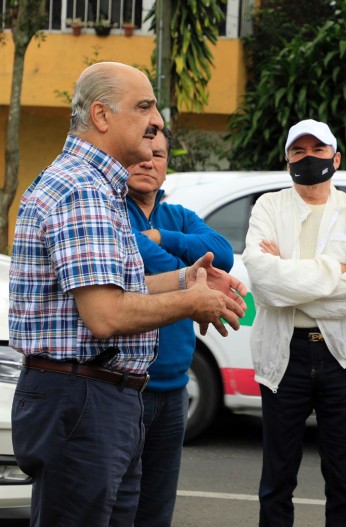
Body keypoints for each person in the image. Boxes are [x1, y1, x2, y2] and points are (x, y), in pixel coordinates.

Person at [9, 62, 247, 527]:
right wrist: (190, 302)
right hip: (83, 398)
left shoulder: (97, 187)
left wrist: (188, 280)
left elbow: (114, 288)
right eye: (143, 107)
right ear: (101, 115)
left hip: (94, 397)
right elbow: (106, 315)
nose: (155, 121)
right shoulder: (82, 190)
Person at [242, 119, 346, 527]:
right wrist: (333, 270)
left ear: (336, 159)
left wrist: (287, 272)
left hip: (341, 358)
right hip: (284, 355)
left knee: (345, 481)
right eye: (298, 151)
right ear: (287, 162)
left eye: (318, 150)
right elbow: (264, 285)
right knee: (277, 480)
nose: (308, 158)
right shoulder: (269, 207)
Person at [125, 126, 235, 526]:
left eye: (158, 155)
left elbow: (222, 253)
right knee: (115, 507)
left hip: (174, 391)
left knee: (156, 510)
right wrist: (191, 275)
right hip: (123, 387)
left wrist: (162, 235)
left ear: (167, 165)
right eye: (141, 153)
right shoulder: (110, 211)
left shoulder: (179, 217)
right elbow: (135, 251)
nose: (148, 162)